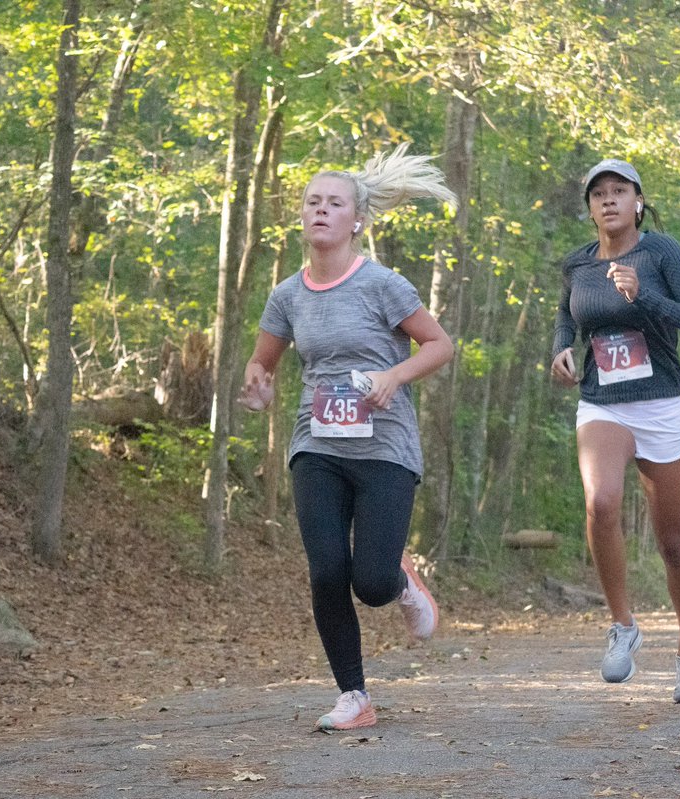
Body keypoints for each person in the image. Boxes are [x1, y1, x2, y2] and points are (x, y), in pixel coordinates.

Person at [238, 144, 456, 731]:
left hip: (384, 447)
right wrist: (257, 387)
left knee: (373, 582)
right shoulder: (287, 295)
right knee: (327, 572)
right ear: (302, 215)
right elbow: (264, 363)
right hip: (318, 447)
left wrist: (393, 375)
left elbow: (439, 345)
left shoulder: (383, 285)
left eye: (335, 203)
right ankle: (354, 696)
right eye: (313, 202)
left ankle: (403, 581)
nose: (321, 210)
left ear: (357, 219)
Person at [550, 158, 680, 703]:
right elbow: (566, 318)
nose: (608, 200)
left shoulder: (661, 252)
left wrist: (643, 295)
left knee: (672, 542)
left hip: (663, 404)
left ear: (638, 201)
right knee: (601, 502)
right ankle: (623, 625)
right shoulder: (577, 265)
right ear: (590, 208)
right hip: (604, 404)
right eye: (598, 194)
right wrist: (560, 351)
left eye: (619, 191)